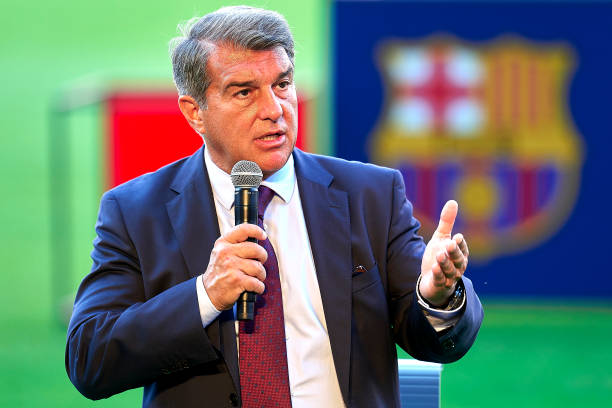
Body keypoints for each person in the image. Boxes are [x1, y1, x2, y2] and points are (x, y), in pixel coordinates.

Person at [65, 6, 483, 408]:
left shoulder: (371, 193)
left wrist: (436, 297)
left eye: (282, 84)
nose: (274, 110)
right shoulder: (137, 211)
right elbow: (90, 359)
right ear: (195, 112)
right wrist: (205, 296)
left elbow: (436, 342)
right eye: (244, 92)